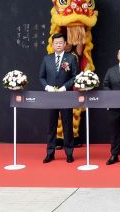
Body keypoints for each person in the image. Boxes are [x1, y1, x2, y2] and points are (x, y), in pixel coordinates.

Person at [39, 32, 79, 163]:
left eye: (61, 43)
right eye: (56, 43)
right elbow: (41, 77)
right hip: (51, 97)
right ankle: (50, 153)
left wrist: (64, 87)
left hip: (65, 96)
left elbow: (75, 76)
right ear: (52, 44)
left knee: (67, 125)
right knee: (51, 126)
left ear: (65, 44)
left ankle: (69, 153)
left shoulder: (71, 58)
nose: (58, 45)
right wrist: (47, 87)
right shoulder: (47, 59)